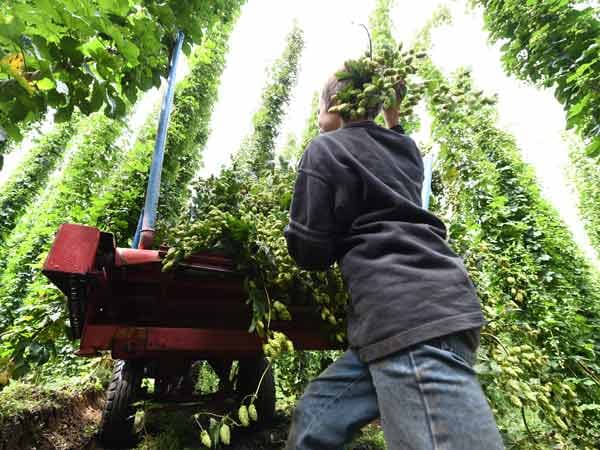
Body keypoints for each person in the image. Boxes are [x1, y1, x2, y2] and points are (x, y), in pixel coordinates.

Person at [283, 70, 504, 449]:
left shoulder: (325, 149)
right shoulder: (406, 152)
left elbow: (310, 251)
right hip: (423, 308)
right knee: (313, 422)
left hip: (407, 316)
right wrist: (393, 115)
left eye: (319, 108)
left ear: (333, 108)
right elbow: (394, 143)